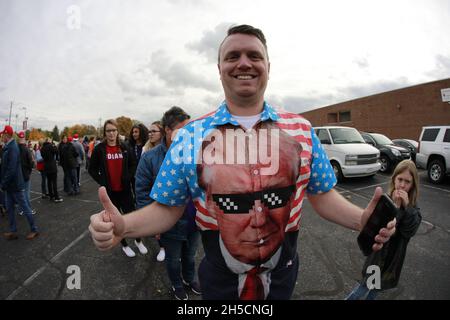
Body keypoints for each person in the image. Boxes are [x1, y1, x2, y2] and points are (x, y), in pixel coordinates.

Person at [88, 24, 396, 300]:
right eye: (233, 56)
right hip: (218, 285)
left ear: (268, 67)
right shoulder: (189, 137)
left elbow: (322, 194)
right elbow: (168, 207)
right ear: (219, 68)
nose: (244, 63)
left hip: (283, 280)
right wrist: (124, 226)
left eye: (254, 55)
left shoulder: (301, 130)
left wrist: (361, 220)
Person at [135, 107, 201, 300]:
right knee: (173, 260)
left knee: (190, 256)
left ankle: (189, 279)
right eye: (183, 130)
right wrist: (151, 223)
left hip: (194, 220)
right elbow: (142, 194)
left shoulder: (197, 152)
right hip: (168, 223)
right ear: (168, 131)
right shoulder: (149, 158)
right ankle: (176, 284)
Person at [346, 160, 422, 300]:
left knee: (377, 289)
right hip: (378, 256)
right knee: (364, 287)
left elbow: (411, 230)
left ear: (413, 185)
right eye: (400, 179)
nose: (403, 185)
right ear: (394, 179)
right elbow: (374, 225)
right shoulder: (387, 200)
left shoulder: (413, 208)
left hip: (393, 258)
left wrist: (407, 208)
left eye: (407, 182)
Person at [88, 119, 147, 257]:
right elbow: (92, 169)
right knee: (116, 220)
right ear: (105, 132)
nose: (111, 133)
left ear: (117, 131)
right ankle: (124, 245)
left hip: (125, 190)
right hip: (110, 193)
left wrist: (128, 176)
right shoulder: (99, 149)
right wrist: (102, 181)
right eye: (108, 131)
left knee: (131, 216)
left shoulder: (125, 147)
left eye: (114, 130)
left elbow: (133, 164)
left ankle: (138, 240)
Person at [0, 125, 39, 240]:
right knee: (10, 208)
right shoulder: (9, 147)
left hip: (15, 185)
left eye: (3, 134)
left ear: (7, 135)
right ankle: (13, 231)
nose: (1, 136)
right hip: (10, 186)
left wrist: (3, 184)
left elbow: (11, 169)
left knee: (25, 207)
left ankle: (34, 229)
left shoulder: (12, 148)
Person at [141, 120, 165, 261]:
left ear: (162, 133)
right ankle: (162, 247)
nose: (150, 133)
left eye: (153, 131)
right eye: (149, 131)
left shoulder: (169, 150)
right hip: (152, 191)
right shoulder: (146, 150)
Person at [17, 131, 36, 215]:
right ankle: (27, 209)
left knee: (20, 193)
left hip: (17, 175)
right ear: (24, 138)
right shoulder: (27, 150)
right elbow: (32, 164)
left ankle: (21, 210)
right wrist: (32, 165)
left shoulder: (15, 149)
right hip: (25, 175)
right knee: (26, 193)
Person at [41, 138, 63, 203]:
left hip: (46, 166)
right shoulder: (51, 146)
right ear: (49, 141)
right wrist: (54, 145)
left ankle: (51, 196)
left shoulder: (42, 148)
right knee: (54, 182)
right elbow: (57, 151)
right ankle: (56, 197)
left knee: (49, 182)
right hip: (52, 166)